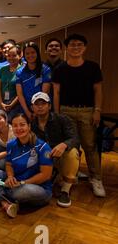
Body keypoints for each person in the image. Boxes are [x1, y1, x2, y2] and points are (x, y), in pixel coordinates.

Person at [52, 34, 105, 197]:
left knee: (90, 146)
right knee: (70, 146)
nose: (76, 47)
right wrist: (57, 114)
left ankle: (96, 179)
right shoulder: (60, 69)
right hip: (66, 111)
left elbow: (98, 90)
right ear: (67, 48)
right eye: (72, 45)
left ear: (84, 47)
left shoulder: (93, 67)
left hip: (87, 111)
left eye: (79, 44)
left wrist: (97, 110)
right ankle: (70, 175)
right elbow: (56, 92)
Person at [0, 113, 53, 218]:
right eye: (15, 125)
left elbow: (45, 175)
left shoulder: (43, 147)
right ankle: (5, 202)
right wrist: (10, 177)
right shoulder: (11, 144)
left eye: (22, 124)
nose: (18, 128)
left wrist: (23, 183)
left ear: (29, 126)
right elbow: (8, 164)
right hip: (15, 182)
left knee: (23, 190)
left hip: (36, 188)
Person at [31, 92, 80, 207]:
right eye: (36, 104)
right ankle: (58, 178)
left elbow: (75, 138)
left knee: (72, 153)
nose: (40, 106)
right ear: (32, 107)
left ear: (49, 106)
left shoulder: (62, 119)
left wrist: (63, 144)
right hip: (46, 159)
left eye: (43, 103)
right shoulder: (32, 124)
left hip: (62, 156)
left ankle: (65, 191)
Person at [16, 42, 51, 120]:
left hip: (42, 108)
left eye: (33, 52)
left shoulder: (45, 69)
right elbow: (20, 94)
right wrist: (27, 112)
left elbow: (44, 93)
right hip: (25, 108)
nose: (30, 55)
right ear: (24, 55)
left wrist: (36, 111)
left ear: (37, 53)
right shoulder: (19, 72)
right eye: (27, 53)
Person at [0, 45, 22, 120]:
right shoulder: (2, 70)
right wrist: (1, 103)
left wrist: (11, 105)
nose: (11, 58)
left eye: (14, 55)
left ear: (20, 56)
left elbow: (21, 91)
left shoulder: (22, 70)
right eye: (9, 56)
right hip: (2, 102)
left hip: (16, 104)